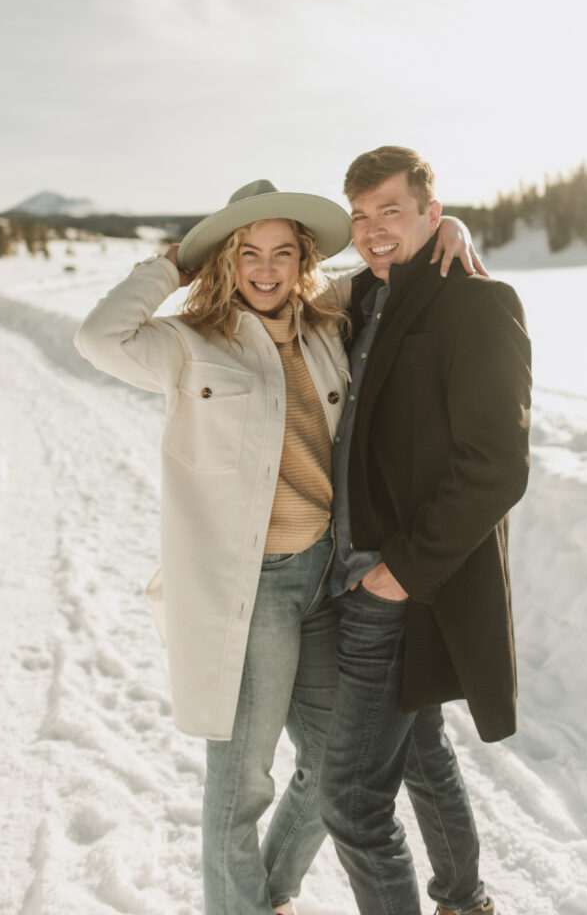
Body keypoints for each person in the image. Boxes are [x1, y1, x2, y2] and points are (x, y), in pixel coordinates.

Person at [73, 177, 481, 915]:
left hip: (323, 581)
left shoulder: (329, 329)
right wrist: (172, 265)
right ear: (227, 262)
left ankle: (270, 892)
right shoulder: (187, 346)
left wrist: (446, 233)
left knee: (333, 773)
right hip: (248, 591)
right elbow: (97, 339)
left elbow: (392, 265)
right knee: (241, 785)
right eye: (248, 253)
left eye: (282, 253)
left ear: (302, 263)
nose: (266, 268)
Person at [319, 146, 532, 915]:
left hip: (397, 580)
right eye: (362, 216)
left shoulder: (477, 303)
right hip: (349, 572)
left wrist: (398, 574)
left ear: (430, 215)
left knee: (348, 798)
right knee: (420, 751)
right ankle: (464, 898)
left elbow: (497, 464)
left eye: (392, 212)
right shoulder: (359, 302)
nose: (374, 230)